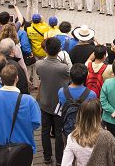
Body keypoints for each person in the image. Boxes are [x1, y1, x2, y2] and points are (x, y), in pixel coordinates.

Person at [36, 37, 72, 165]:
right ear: (59, 50)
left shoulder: (39, 64)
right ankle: (59, 159)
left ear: (45, 49)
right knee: (58, 132)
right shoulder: (63, 68)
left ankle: (46, 157)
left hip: (44, 102)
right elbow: (70, 75)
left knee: (45, 131)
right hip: (59, 104)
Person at [61, 99, 115, 166]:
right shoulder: (107, 137)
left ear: (80, 115)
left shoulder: (72, 137)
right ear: (99, 116)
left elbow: (65, 163)